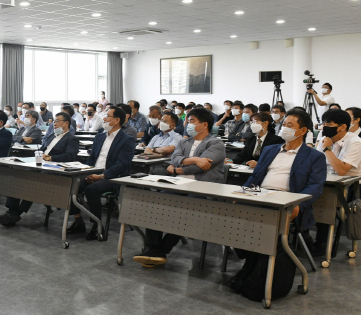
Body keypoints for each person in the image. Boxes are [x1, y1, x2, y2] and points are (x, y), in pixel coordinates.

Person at [227, 108, 327, 290]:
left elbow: (315, 187)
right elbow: (255, 176)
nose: (284, 128)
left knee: (262, 225)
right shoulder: (270, 150)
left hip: (286, 202)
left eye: (290, 125)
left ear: (303, 131)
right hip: (260, 195)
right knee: (233, 218)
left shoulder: (315, 156)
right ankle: (251, 265)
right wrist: (242, 193)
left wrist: (298, 203)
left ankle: (251, 270)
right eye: (284, 124)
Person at [133, 107, 226, 267]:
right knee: (156, 201)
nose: (187, 124)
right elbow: (174, 158)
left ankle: (159, 251)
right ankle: (154, 248)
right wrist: (195, 160)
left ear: (204, 125)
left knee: (184, 208)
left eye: (191, 121)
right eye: (188, 121)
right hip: (178, 184)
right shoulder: (184, 141)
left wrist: (178, 168)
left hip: (202, 188)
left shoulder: (216, 144)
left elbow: (200, 167)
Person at [0, 112, 79, 227]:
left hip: (54, 169)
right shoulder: (51, 136)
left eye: (57, 121)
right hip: (40, 164)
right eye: (54, 121)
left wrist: (51, 158)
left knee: (34, 180)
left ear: (66, 123)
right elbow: (42, 149)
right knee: (18, 175)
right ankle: (11, 210)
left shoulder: (71, 139)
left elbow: (70, 156)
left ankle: (16, 213)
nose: (54, 124)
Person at [67, 106, 134, 240]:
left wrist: (102, 176)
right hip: (94, 173)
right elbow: (91, 158)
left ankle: (97, 226)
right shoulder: (100, 136)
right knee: (70, 186)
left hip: (113, 177)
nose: (104, 118)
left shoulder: (127, 140)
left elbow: (121, 165)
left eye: (107, 116)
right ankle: (78, 221)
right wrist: (84, 172)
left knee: (92, 190)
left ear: (116, 120)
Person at [311, 109, 361, 254]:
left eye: (328, 123)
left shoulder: (355, 142)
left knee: (324, 201)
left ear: (342, 126)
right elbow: (315, 163)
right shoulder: (325, 139)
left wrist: (327, 148)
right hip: (327, 182)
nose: (324, 126)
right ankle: (303, 237)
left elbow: (342, 170)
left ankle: (322, 244)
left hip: (351, 186)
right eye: (323, 123)